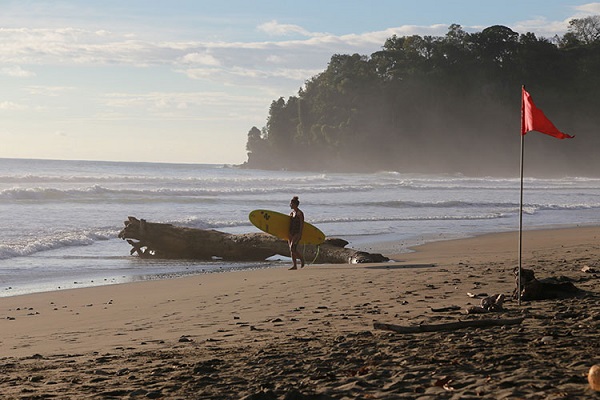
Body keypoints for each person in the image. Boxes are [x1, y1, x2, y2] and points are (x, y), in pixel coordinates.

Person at [288, 196, 305, 270]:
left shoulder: (300, 213)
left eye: (291, 204)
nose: (290, 205)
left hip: (297, 232)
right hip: (291, 232)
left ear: (295, 204)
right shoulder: (291, 213)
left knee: (292, 248)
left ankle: (301, 259)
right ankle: (294, 265)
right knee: (291, 249)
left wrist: (300, 233)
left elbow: (302, 224)